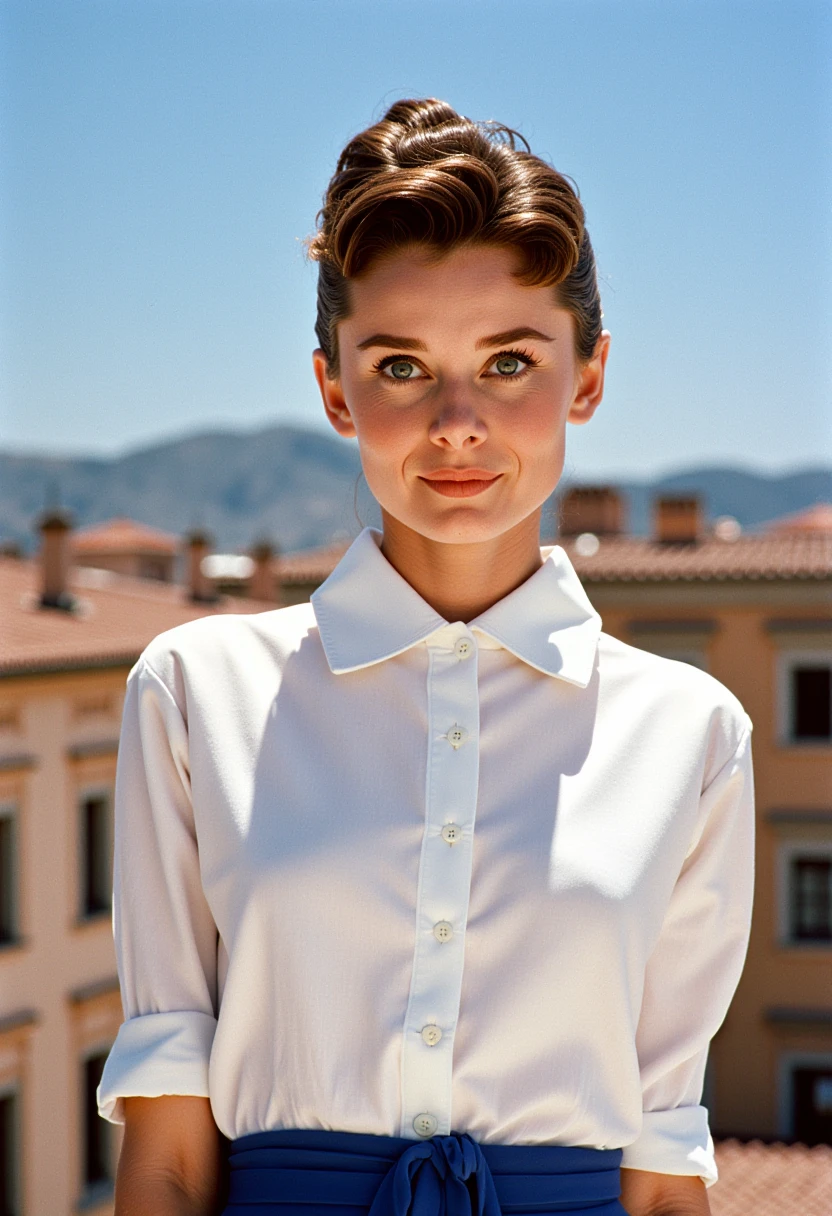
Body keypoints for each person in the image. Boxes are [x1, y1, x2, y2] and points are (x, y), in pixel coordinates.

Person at [98, 99, 755, 1216]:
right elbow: (165, 1155)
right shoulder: (192, 692)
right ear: (333, 388)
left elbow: (659, 1173)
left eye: (509, 361)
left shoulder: (692, 735)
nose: (456, 421)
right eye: (400, 366)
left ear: (587, 377)